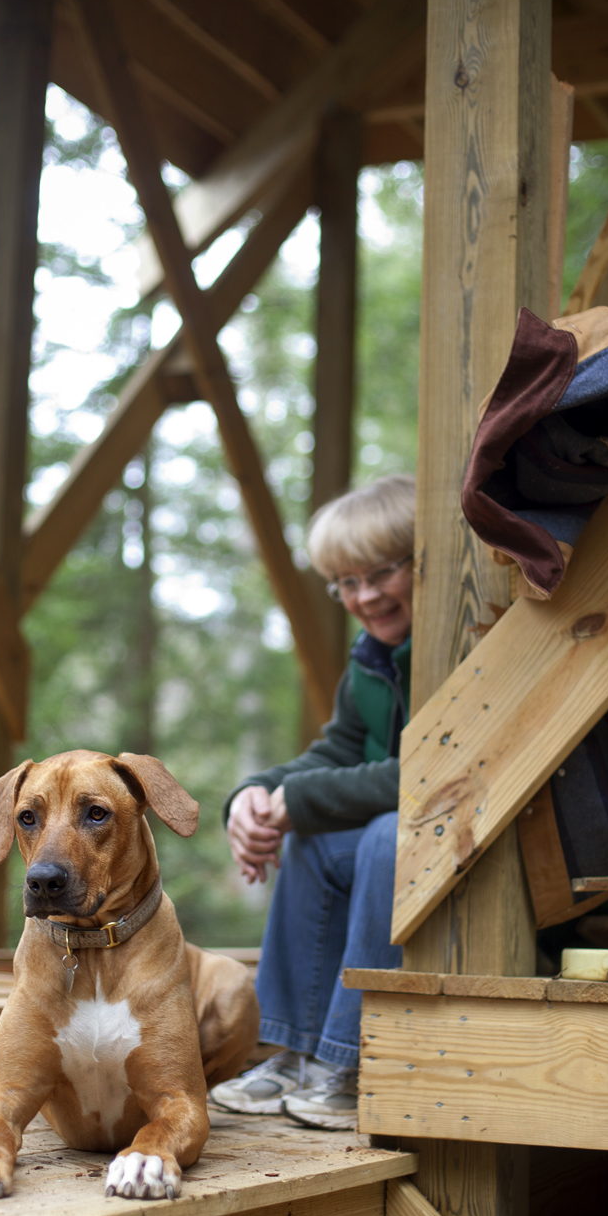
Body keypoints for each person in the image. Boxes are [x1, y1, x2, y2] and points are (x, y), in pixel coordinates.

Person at [210, 474, 413, 1130]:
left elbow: (435, 774)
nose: (366, 595)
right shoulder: (373, 662)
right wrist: (255, 797)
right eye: (346, 582)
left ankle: (354, 1061)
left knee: (385, 834)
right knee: (315, 835)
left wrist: (303, 797)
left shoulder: (462, 641)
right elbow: (335, 754)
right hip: (422, 843)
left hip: (486, 838)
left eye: (382, 572)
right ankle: (295, 1052)